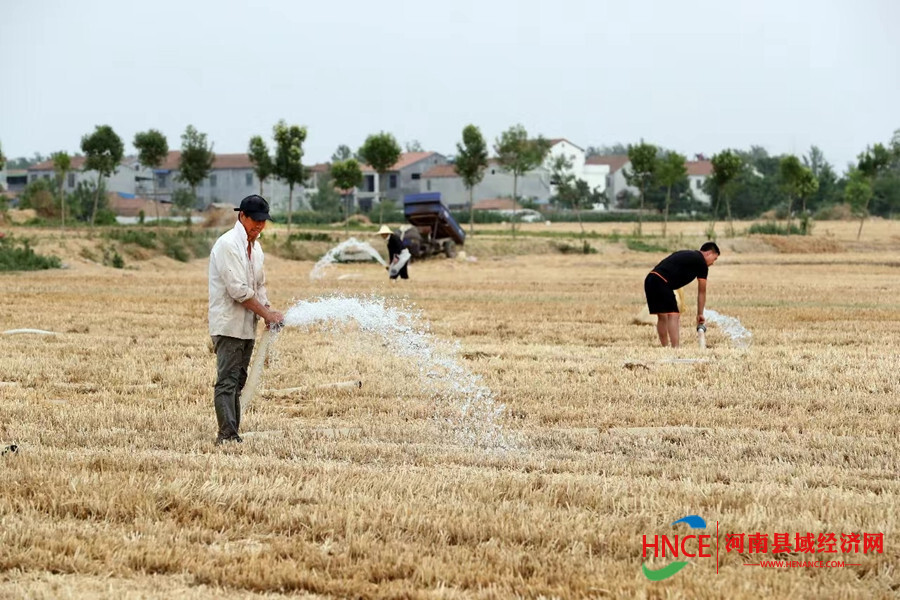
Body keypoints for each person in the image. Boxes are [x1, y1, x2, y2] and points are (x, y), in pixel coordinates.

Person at [208, 194, 284, 445]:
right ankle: (226, 435)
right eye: (256, 220)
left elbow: (258, 286)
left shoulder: (256, 247)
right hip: (229, 324)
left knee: (238, 381)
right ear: (242, 216)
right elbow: (238, 290)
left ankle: (233, 432)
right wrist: (266, 314)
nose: (260, 226)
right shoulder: (228, 244)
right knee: (227, 381)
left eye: (263, 221)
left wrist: (268, 311)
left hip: (247, 326)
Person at [644, 242, 720, 347]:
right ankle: (675, 348)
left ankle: (665, 348)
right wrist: (700, 313)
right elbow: (702, 291)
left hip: (651, 279)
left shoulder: (689, 254)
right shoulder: (701, 263)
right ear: (709, 253)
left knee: (662, 317)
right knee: (673, 315)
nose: (713, 263)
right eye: (714, 259)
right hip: (662, 281)